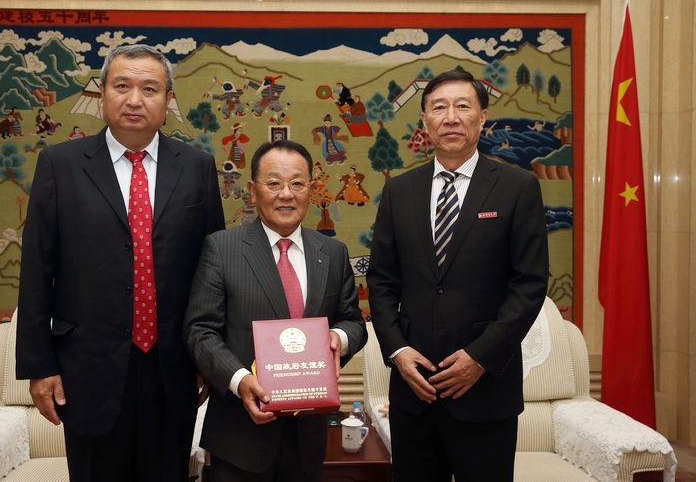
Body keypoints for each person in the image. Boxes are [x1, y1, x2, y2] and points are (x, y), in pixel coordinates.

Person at [16, 44, 225, 482]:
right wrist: (40, 366)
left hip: (173, 367)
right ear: (102, 94)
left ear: (168, 100)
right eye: (122, 86)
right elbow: (37, 271)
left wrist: (211, 359)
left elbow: (213, 272)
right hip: (87, 368)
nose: (134, 100)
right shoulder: (60, 165)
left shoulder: (198, 167)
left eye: (149, 89)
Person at [366, 69, 549, 482]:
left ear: (482, 118)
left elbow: (529, 284)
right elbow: (381, 282)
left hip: (484, 393)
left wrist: (480, 357)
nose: (450, 117)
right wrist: (397, 351)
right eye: (439, 107)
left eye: (462, 106)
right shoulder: (399, 191)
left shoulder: (517, 187)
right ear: (424, 120)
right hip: (415, 391)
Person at [184, 140, 367, 482]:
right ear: (253, 191)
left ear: (310, 189)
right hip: (239, 437)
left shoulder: (333, 252)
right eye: (274, 183)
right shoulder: (222, 248)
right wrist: (240, 381)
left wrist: (337, 339)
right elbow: (200, 330)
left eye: (297, 183)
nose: (286, 194)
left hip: (308, 438)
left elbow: (353, 322)